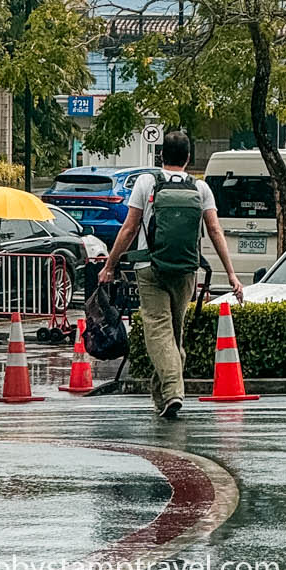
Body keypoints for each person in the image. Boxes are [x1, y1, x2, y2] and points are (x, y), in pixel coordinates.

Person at [99, 130, 244, 419]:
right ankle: (162, 398)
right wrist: (231, 274)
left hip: (149, 268)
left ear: (161, 156)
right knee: (173, 336)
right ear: (188, 158)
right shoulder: (200, 189)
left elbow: (128, 229)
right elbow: (215, 231)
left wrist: (110, 265)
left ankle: (174, 392)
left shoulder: (146, 182)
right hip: (186, 270)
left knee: (159, 333)